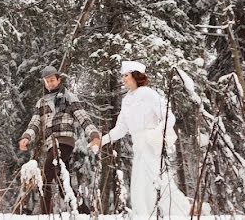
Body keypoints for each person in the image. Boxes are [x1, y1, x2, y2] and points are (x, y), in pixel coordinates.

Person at [99, 60, 194, 217]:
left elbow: (169, 118)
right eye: (123, 76)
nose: (123, 79)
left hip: (150, 146)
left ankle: (183, 213)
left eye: (126, 75)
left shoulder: (148, 94)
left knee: (159, 184)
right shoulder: (127, 99)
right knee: (140, 189)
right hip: (139, 148)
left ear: (136, 76)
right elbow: (121, 128)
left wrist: (154, 134)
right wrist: (102, 140)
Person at [18, 65, 101, 214]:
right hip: (51, 144)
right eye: (47, 81)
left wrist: (94, 135)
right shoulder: (42, 102)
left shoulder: (68, 97)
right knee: (64, 184)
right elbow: (35, 123)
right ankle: (84, 211)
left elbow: (82, 117)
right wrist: (26, 137)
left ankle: (45, 215)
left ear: (58, 79)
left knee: (46, 175)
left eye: (52, 80)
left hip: (65, 141)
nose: (50, 84)